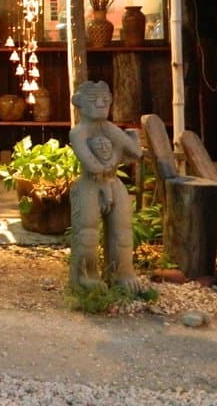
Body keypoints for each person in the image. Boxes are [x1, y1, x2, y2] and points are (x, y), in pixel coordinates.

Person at [68, 80, 142, 292]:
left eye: (105, 99)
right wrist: (115, 156)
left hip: (113, 182)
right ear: (79, 103)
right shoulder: (79, 132)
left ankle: (122, 273)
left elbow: (136, 152)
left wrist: (130, 139)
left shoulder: (110, 128)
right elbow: (91, 164)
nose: (101, 104)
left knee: (123, 231)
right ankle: (86, 276)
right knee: (87, 232)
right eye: (93, 99)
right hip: (90, 184)